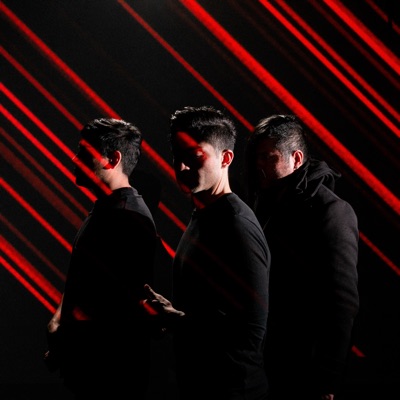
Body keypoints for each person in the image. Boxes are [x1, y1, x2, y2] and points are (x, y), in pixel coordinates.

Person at [143, 105, 271, 400]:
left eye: (194, 156)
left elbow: (251, 332)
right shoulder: (204, 214)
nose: (181, 167)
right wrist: (170, 312)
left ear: (226, 158)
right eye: (177, 156)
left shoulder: (236, 224)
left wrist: (176, 319)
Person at [244, 114, 360, 400]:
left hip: (303, 365)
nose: (259, 165)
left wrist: (328, 378)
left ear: (296, 158)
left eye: (268, 157)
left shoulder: (331, 211)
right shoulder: (266, 202)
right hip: (266, 358)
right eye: (257, 157)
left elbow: (342, 302)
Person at [44, 118, 160, 399]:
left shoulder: (126, 218)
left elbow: (116, 310)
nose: (75, 159)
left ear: (113, 159)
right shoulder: (110, 211)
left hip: (108, 379)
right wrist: (60, 321)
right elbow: (87, 282)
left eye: (85, 153)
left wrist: (65, 340)